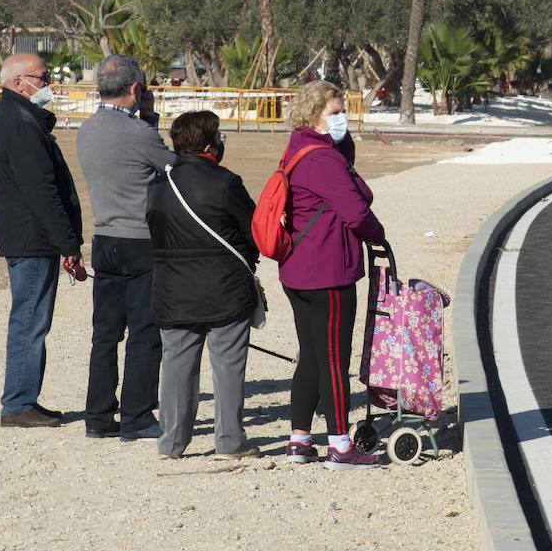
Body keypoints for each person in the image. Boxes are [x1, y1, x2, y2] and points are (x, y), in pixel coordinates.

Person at [279, 81, 385, 469]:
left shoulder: (300, 146)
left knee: (310, 355)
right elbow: (355, 209)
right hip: (328, 270)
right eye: (336, 113)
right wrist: (378, 234)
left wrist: (343, 142)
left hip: (298, 269)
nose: (342, 119)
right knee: (334, 360)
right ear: (314, 113)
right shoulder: (322, 159)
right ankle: (340, 444)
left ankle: (299, 438)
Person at [147, 111, 260, 460]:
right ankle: (229, 442)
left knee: (177, 366)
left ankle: (171, 443)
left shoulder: (157, 185)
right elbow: (253, 230)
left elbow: (155, 229)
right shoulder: (226, 183)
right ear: (211, 145)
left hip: (173, 288)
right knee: (227, 364)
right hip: (225, 286)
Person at [76, 55, 175, 441]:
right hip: (141, 241)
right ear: (136, 89)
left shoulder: (87, 131)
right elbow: (172, 168)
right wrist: (150, 119)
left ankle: (98, 416)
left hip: (105, 238)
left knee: (105, 334)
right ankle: (136, 415)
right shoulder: (139, 133)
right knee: (144, 333)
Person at [0, 54, 83, 429]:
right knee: (29, 321)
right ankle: (18, 403)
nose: (47, 87)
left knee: (31, 320)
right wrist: (68, 244)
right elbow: (41, 191)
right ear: (18, 82)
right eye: (42, 79)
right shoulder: (22, 123)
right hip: (31, 239)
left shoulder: (18, 117)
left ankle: (24, 398)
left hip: (28, 236)